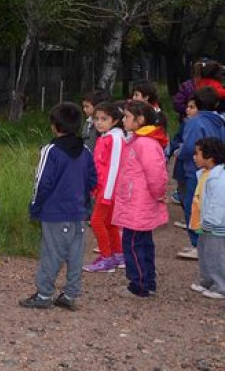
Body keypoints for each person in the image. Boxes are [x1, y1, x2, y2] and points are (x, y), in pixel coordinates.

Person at [20, 102, 96, 311]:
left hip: (54, 212)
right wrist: (85, 205)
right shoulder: (86, 151)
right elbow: (92, 180)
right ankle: (70, 294)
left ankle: (44, 294)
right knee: (75, 254)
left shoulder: (50, 151)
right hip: (78, 212)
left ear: (55, 126)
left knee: (51, 253)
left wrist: (35, 207)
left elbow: (42, 182)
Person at [112, 100, 169, 297]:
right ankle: (147, 282)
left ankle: (140, 285)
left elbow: (156, 174)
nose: (124, 120)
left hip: (139, 204)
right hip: (136, 203)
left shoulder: (145, 143)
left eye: (127, 116)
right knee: (142, 244)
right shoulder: (139, 140)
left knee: (134, 245)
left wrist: (158, 194)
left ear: (140, 119)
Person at [175, 87, 225, 259]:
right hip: (216, 167)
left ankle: (198, 243)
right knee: (210, 204)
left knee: (193, 205)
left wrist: (179, 153)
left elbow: (189, 147)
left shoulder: (195, 122)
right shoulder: (220, 120)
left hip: (195, 170)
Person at [84, 101, 127, 273]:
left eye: (104, 119)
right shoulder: (106, 137)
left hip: (109, 191)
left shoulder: (115, 138)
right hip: (103, 188)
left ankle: (107, 258)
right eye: (96, 119)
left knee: (96, 221)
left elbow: (115, 166)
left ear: (115, 121)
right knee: (109, 223)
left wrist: (107, 193)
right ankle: (118, 255)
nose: (99, 122)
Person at [190, 137, 225, 300]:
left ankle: (221, 286)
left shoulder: (219, 178)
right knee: (204, 252)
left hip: (216, 225)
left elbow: (218, 203)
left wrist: (210, 221)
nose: (194, 157)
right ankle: (207, 280)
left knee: (216, 255)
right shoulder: (206, 174)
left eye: (197, 154)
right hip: (205, 223)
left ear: (210, 157)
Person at [130, 81, 169, 149]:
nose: (133, 98)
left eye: (136, 95)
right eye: (133, 95)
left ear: (146, 97)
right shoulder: (141, 111)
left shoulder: (155, 115)